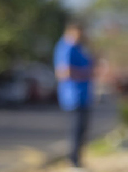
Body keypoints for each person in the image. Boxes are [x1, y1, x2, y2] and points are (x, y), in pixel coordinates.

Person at [53, 21, 94, 169]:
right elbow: (63, 72)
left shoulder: (80, 47)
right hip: (73, 97)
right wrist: (85, 73)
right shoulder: (66, 47)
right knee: (75, 131)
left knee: (82, 131)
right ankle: (73, 162)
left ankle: (78, 161)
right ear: (71, 31)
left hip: (84, 96)